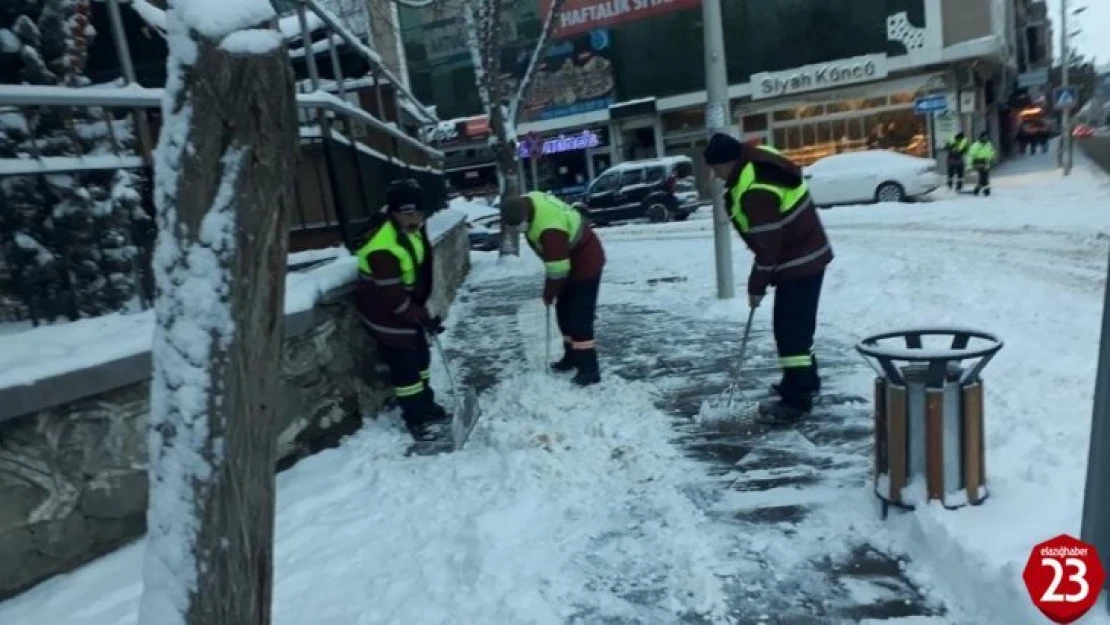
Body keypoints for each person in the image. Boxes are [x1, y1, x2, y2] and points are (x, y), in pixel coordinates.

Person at [703, 133, 834, 423]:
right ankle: (803, 382)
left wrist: (756, 287)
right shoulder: (754, 159)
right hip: (804, 254)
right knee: (797, 328)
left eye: (715, 168)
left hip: (799, 260)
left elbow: (768, 246)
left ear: (728, 162)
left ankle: (796, 401)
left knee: (791, 333)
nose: (714, 175)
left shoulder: (754, 190)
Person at [354, 179, 449, 442]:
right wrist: (420, 317)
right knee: (406, 369)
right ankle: (416, 418)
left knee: (421, 361)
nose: (415, 218)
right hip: (386, 316)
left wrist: (426, 313)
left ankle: (427, 405)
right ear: (394, 213)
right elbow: (391, 296)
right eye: (408, 213)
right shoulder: (382, 248)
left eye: (419, 212)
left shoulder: (411, 231)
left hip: (407, 310)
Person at [500, 191, 606, 386]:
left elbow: (558, 269)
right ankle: (571, 357)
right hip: (569, 260)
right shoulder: (529, 201)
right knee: (564, 312)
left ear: (525, 217)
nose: (518, 230)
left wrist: (549, 293)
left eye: (518, 226)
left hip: (585, 262)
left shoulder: (550, 228)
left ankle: (589, 370)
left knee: (579, 318)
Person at [967, 131, 996, 196]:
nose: (986, 138)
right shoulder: (976, 145)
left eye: (987, 137)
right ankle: (986, 191)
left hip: (986, 162)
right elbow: (971, 155)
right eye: (984, 137)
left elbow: (991, 151)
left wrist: (992, 157)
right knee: (984, 176)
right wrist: (970, 164)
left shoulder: (988, 144)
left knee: (984, 177)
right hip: (978, 162)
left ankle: (977, 190)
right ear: (981, 137)